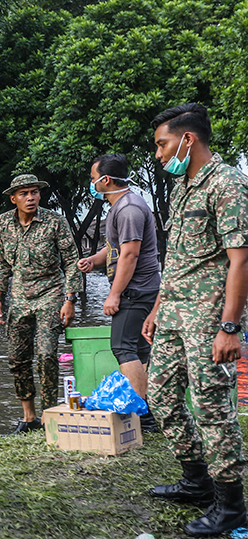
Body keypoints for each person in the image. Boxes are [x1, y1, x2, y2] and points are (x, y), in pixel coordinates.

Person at [143, 103, 248, 536]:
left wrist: (230, 327)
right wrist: (156, 306)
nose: (158, 154)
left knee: (212, 407)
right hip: (172, 311)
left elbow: (240, 261)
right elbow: (179, 258)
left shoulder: (226, 183)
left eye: (162, 144)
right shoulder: (183, 187)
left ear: (188, 139)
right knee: (161, 396)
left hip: (208, 317)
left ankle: (231, 504)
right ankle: (196, 480)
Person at [77, 153, 161, 433]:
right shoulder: (118, 208)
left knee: (122, 347)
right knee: (139, 349)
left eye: (93, 179)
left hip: (136, 290)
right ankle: (150, 409)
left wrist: (114, 295)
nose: (92, 184)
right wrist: (94, 260)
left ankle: (144, 417)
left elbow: (130, 255)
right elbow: (114, 250)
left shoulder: (128, 209)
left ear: (106, 180)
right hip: (139, 288)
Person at [0, 174, 80, 434]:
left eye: (34, 192)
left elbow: (71, 262)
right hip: (18, 299)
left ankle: (49, 414)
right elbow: (1, 263)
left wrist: (70, 299)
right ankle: (28, 417)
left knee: (46, 356)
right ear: (13, 198)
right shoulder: (2, 223)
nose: (30, 198)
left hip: (50, 295)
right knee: (17, 359)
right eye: (24, 194)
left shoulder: (55, 221)